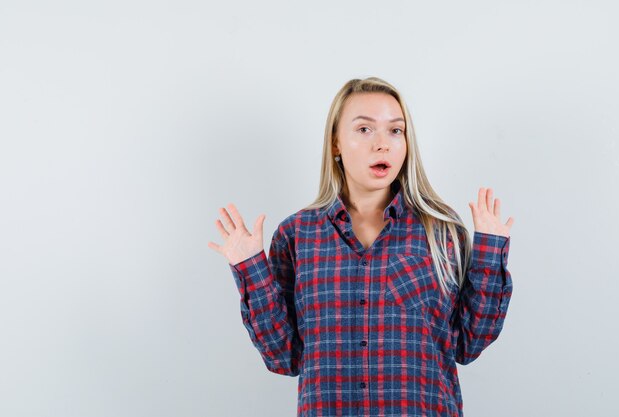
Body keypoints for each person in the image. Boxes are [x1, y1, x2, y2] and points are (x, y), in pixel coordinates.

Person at [208, 77, 514, 417]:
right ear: (336, 143)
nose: (382, 144)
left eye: (395, 131)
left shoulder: (442, 232)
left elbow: (469, 344)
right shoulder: (297, 236)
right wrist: (250, 267)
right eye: (365, 130)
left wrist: (489, 251)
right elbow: (283, 357)